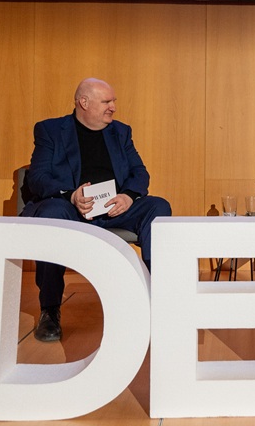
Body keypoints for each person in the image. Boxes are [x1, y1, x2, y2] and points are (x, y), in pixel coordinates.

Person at [20, 78, 171, 342]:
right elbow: (38, 177)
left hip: (114, 209)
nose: (113, 107)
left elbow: (139, 173)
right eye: (106, 102)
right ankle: (50, 310)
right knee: (51, 215)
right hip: (70, 209)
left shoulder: (121, 132)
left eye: (113, 101)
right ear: (84, 102)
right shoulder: (50, 130)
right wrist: (71, 195)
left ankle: (160, 301)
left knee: (158, 207)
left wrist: (129, 196)